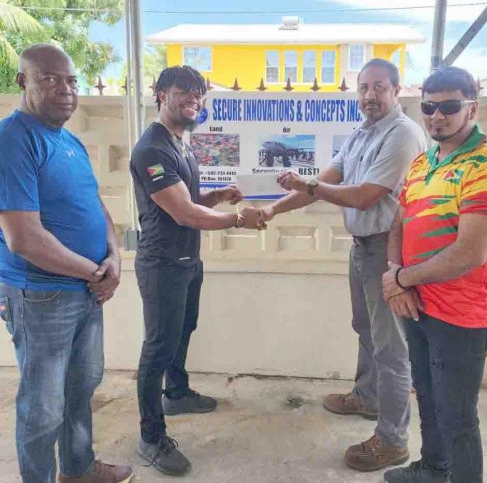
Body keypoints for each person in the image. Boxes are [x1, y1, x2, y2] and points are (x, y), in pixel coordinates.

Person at [259, 58, 427, 472]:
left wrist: (310, 184)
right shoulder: (362, 132)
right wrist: (274, 209)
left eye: (378, 88)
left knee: (391, 348)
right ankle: (367, 397)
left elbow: (365, 195)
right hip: (362, 248)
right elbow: (325, 182)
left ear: (396, 90)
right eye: (363, 88)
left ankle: (393, 440)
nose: (369, 96)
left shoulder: (403, 135)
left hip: (389, 250)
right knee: (366, 329)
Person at [381, 67, 487, 483]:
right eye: (429, 106)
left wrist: (403, 279)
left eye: (449, 106)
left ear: (472, 108)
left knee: (458, 415)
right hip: (419, 303)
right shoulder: (425, 161)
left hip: (462, 313)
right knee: (427, 395)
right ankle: (434, 467)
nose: (436, 115)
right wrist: (395, 276)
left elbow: (470, 253)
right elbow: (399, 224)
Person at [0, 44, 132, 483]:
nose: (65, 89)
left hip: (85, 291)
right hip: (42, 296)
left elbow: (97, 208)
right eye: (50, 79)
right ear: (24, 82)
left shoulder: (71, 142)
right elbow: (23, 238)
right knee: (42, 407)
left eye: (72, 81)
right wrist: (93, 273)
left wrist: (113, 256)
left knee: (81, 389)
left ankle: (77, 470)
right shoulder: (13, 140)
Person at [130, 65, 265, 476]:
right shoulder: (153, 148)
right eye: (184, 93)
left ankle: (178, 392)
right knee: (158, 347)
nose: (193, 100)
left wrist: (218, 196)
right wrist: (240, 219)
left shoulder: (181, 144)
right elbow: (185, 213)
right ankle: (151, 436)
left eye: (198, 94)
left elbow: (188, 198)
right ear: (160, 94)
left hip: (187, 261)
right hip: (162, 264)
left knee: (183, 330)